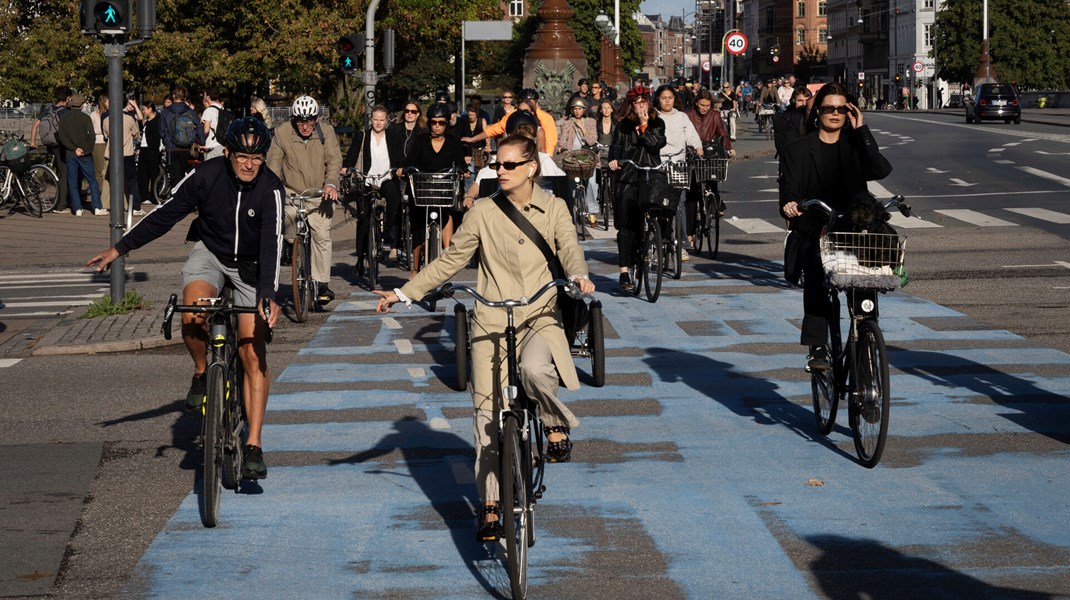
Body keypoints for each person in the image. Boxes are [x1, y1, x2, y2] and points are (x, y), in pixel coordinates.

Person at [373, 131, 595, 542]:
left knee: (533, 369)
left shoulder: (554, 208)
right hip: (490, 319)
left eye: (510, 165)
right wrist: (405, 292)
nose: (501, 171)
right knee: (486, 414)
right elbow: (451, 260)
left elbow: (569, 248)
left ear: (532, 168)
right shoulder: (483, 212)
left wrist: (578, 275)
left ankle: (552, 423)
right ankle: (491, 504)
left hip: (540, 314)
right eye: (497, 164)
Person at [86, 117, 283, 480]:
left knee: (252, 353)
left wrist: (267, 294)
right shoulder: (206, 176)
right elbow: (164, 216)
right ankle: (201, 371)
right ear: (227, 153)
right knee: (192, 311)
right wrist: (119, 249)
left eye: (257, 157)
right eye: (241, 155)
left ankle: (253, 443)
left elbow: (273, 244)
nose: (249, 164)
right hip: (210, 253)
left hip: (252, 268)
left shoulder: (270, 187)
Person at [779, 82, 893, 371]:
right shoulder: (798, 149)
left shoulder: (855, 143)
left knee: (864, 285)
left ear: (849, 112)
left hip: (855, 227)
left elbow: (880, 170)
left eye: (842, 109)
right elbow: (789, 188)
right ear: (818, 112)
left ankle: (867, 339)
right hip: (818, 226)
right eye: (829, 108)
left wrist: (861, 130)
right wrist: (790, 203)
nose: (835, 113)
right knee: (816, 273)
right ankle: (818, 348)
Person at [267, 95, 343, 304]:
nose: (305, 125)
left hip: (319, 193)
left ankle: (322, 284)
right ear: (294, 119)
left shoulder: (325, 132)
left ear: (316, 119)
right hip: (291, 193)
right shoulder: (282, 133)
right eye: (301, 120)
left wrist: (331, 183)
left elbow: (334, 160)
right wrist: (274, 187)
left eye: (309, 120)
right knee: (282, 219)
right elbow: (274, 162)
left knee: (321, 234)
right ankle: (292, 248)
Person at [396, 103, 466, 277]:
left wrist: (463, 171)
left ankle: (448, 256)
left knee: (447, 212)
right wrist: (402, 169)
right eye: (433, 122)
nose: (437, 126)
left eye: (441, 123)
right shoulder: (421, 140)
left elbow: (461, 163)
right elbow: (409, 160)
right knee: (418, 224)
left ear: (447, 123)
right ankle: (415, 269)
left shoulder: (453, 142)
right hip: (422, 188)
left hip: (443, 189)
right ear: (429, 123)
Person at [608, 85, 666, 291]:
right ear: (631, 105)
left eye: (644, 102)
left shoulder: (657, 122)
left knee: (654, 214)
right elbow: (616, 145)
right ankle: (624, 271)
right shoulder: (623, 125)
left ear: (649, 103)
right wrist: (614, 159)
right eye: (636, 103)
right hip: (628, 175)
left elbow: (656, 144)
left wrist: (644, 125)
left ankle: (653, 247)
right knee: (626, 227)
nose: (640, 106)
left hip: (650, 175)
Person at [342, 105, 403, 277]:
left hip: (386, 177)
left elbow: (399, 158)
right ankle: (360, 260)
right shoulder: (363, 135)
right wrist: (346, 167)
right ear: (371, 120)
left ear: (386, 121)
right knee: (364, 219)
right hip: (367, 179)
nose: (378, 123)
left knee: (393, 195)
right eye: (375, 119)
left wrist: (400, 169)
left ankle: (388, 231)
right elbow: (352, 155)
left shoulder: (392, 136)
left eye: (381, 120)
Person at [654, 84, 702, 262]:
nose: (667, 101)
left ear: (675, 99)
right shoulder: (654, 116)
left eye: (670, 97)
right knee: (657, 204)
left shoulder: (682, 117)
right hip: (658, 165)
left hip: (678, 164)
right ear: (658, 99)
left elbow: (691, 134)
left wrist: (697, 146)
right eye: (663, 97)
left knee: (679, 204)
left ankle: (680, 244)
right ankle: (656, 241)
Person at [685, 89, 734, 245]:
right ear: (696, 103)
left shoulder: (715, 115)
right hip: (692, 153)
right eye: (701, 105)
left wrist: (728, 148)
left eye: (707, 105)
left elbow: (722, 133)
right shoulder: (689, 115)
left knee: (713, 176)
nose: (704, 108)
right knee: (692, 196)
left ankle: (714, 203)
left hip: (709, 151)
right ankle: (690, 233)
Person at [462, 88, 557, 154]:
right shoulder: (513, 115)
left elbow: (550, 142)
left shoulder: (545, 118)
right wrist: (473, 139)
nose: (527, 106)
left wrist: (546, 159)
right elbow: (494, 129)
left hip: (538, 158)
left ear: (536, 102)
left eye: (531, 103)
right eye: (524, 102)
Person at [57, 93, 105, 217]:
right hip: (85, 154)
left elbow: (62, 137)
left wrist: (74, 149)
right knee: (92, 181)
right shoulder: (86, 118)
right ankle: (97, 207)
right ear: (82, 105)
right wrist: (86, 150)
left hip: (70, 154)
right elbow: (92, 136)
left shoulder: (64, 118)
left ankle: (77, 208)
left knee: (72, 181)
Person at [30, 85, 72, 213]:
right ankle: (61, 205)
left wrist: (32, 142)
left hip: (50, 145)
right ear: (68, 98)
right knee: (64, 173)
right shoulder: (66, 112)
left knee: (58, 174)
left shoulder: (49, 109)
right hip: (60, 146)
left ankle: (60, 199)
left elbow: (35, 126)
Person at [158, 86, 204, 191]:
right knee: (186, 175)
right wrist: (201, 142)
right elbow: (199, 126)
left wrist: (167, 141)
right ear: (185, 97)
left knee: (175, 178)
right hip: (187, 148)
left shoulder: (166, 112)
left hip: (172, 148)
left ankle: (177, 200)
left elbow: (161, 131)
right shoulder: (190, 111)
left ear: (173, 96)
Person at [103, 99, 142, 216]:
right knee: (132, 181)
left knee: (112, 180)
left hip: (112, 154)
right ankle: (135, 207)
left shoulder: (106, 120)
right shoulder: (129, 119)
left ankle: (110, 205)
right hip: (127, 153)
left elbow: (106, 135)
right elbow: (135, 134)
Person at [773, 86, 813, 165]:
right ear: (793, 101)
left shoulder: (815, 118)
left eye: (807, 100)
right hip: (791, 161)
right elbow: (781, 144)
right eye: (800, 100)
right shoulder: (784, 118)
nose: (804, 103)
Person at [137, 102, 162, 206]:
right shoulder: (147, 121)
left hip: (152, 150)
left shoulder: (157, 121)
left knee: (153, 173)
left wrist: (154, 149)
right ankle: (143, 196)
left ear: (150, 109)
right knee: (142, 174)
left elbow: (156, 137)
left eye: (144, 109)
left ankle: (154, 196)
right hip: (144, 149)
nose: (143, 111)